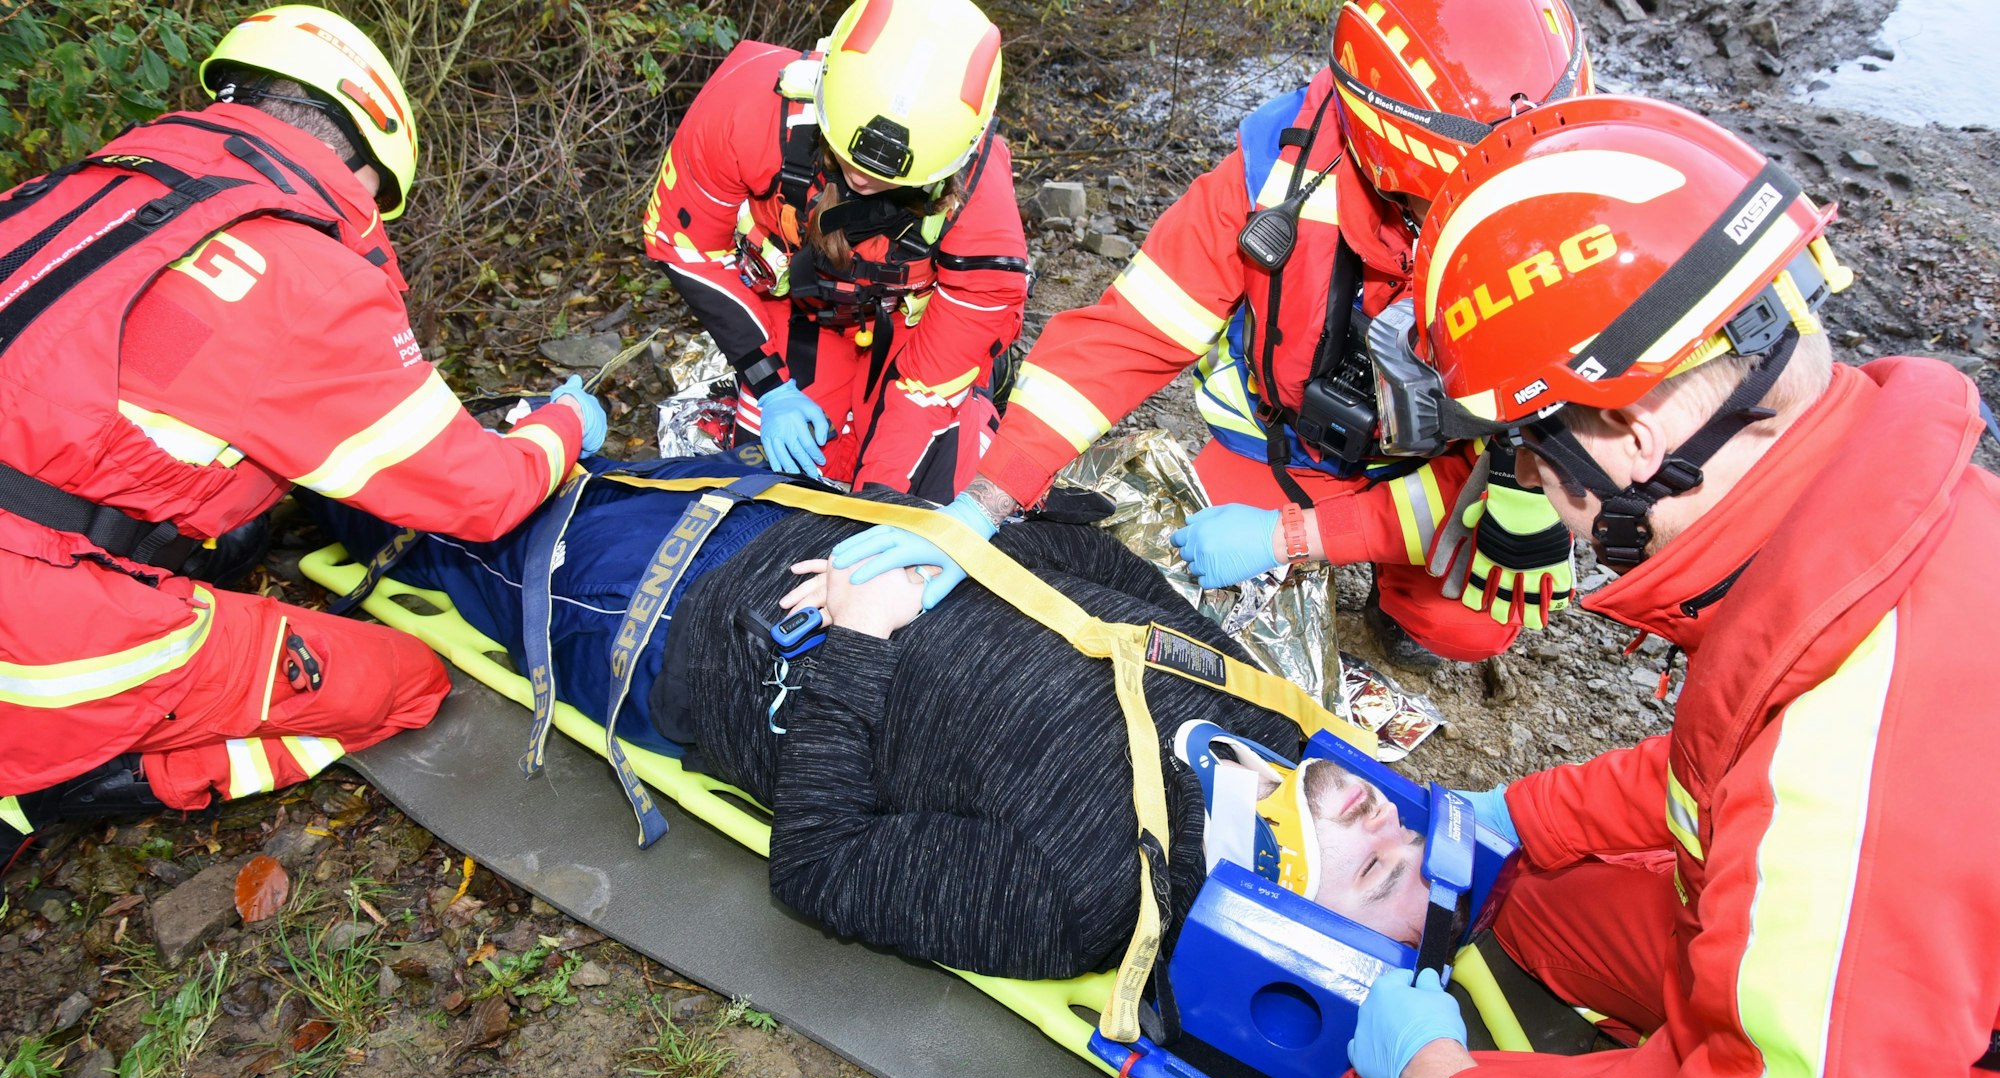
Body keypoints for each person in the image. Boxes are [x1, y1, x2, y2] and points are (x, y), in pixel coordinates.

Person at [1334, 93, 2000, 1078]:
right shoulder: (1875, 525)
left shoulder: (1852, 779)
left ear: (1625, 438)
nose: (1536, 494)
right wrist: (1520, 815)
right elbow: (1740, 760)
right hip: (1859, 965)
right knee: (1541, 911)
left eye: (1529, 456)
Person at [307, 459, 1435, 980]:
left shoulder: (1074, 904)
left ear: (1283, 912)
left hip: (683, 626)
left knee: (433, 525)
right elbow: (1101, 576)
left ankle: (250, 496)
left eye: (1376, 871)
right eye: (1408, 848)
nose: (1395, 823)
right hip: (787, 510)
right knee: (512, 466)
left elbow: (823, 868)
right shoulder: (1267, 721)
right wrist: (953, 541)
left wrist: (860, 636)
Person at [0, 5, 606, 871]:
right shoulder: (300, 272)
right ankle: (58, 775)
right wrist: (566, 424)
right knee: (404, 681)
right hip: (30, 628)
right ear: (356, 159)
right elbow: (481, 494)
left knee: (237, 529)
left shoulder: (71, 192)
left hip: (32, 541)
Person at [830, 0, 1591, 667]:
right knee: (1179, 580)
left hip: (1450, 468)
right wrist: (980, 507)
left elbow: (1558, 431)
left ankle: (1398, 610)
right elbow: (1125, 337)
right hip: (1288, 443)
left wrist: (1291, 541)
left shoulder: (1565, 224)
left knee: (1471, 616)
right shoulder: (1272, 177)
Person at [641, 0, 1029, 503]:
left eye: (889, 179)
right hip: (799, 313)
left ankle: (987, 387)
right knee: (768, 483)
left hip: (914, 334)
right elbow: (683, 245)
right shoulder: (749, 108)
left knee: (921, 491)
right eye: (848, 159)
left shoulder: (978, 196)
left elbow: (951, 349)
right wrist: (771, 384)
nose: (863, 179)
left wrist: (885, 497)